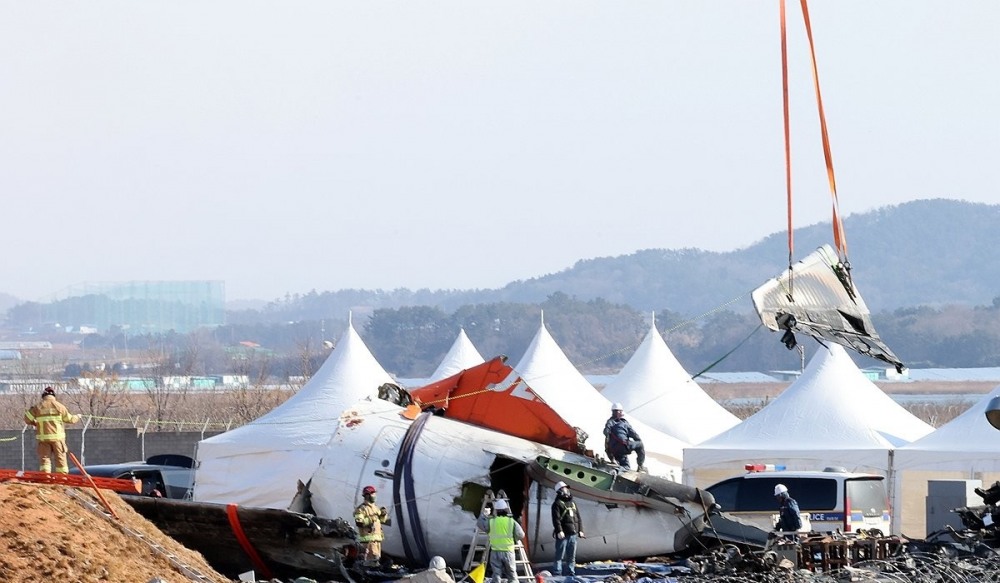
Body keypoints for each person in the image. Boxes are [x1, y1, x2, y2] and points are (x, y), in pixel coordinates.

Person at [23, 386, 81, 473]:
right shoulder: (60, 407)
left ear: (43, 396)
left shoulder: (37, 407)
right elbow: (70, 419)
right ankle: (62, 479)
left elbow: (27, 419)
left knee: (45, 460)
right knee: (60, 460)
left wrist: (35, 423)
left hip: (43, 440)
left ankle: (46, 478)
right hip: (58, 439)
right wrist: (78, 416)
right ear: (54, 396)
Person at [476, 498, 525, 583]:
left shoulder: (492, 522)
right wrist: (514, 539)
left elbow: (480, 525)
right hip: (508, 551)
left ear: (496, 511)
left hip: (495, 551)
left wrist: (484, 515)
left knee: (496, 575)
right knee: (512, 575)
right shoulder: (511, 521)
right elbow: (521, 534)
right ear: (506, 510)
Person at [551, 481, 584, 577]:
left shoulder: (573, 503)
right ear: (559, 491)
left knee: (571, 556)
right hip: (563, 534)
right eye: (564, 488)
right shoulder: (557, 504)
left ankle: (571, 572)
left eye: (566, 488)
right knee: (559, 555)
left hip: (573, 534)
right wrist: (559, 531)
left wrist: (580, 530)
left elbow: (578, 518)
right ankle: (557, 572)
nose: (566, 490)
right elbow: (556, 520)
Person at [354, 485, 391, 565]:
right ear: (368, 495)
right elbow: (359, 522)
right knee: (371, 561)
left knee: (376, 560)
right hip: (368, 541)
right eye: (373, 493)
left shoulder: (375, 508)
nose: (375, 496)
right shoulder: (361, 508)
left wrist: (383, 514)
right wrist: (371, 519)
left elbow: (380, 521)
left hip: (377, 540)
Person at [603, 403, 646, 471]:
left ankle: (616, 471)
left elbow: (606, 433)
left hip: (614, 451)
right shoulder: (624, 423)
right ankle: (640, 466)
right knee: (640, 445)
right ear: (618, 411)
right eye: (619, 411)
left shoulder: (609, 422)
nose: (620, 413)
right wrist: (636, 443)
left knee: (626, 466)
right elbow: (634, 435)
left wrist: (611, 456)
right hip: (624, 446)